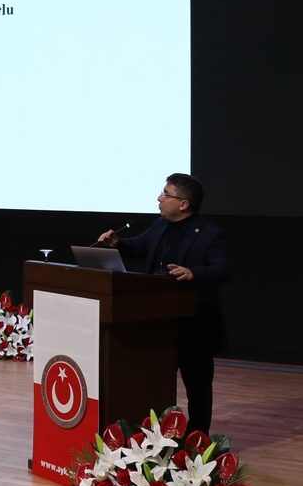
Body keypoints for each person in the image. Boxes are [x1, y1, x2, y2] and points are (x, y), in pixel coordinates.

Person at [98, 173, 231, 434]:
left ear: (184, 204)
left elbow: (224, 269)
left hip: (194, 325)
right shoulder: (159, 225)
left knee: (198, 388)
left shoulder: (210, 234)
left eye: (166, 194)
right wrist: (118, 243)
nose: (159, 198)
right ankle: (155, 435)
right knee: (153, 383)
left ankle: (197, 439)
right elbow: (138, 246)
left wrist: (194, 273)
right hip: (156, 322)